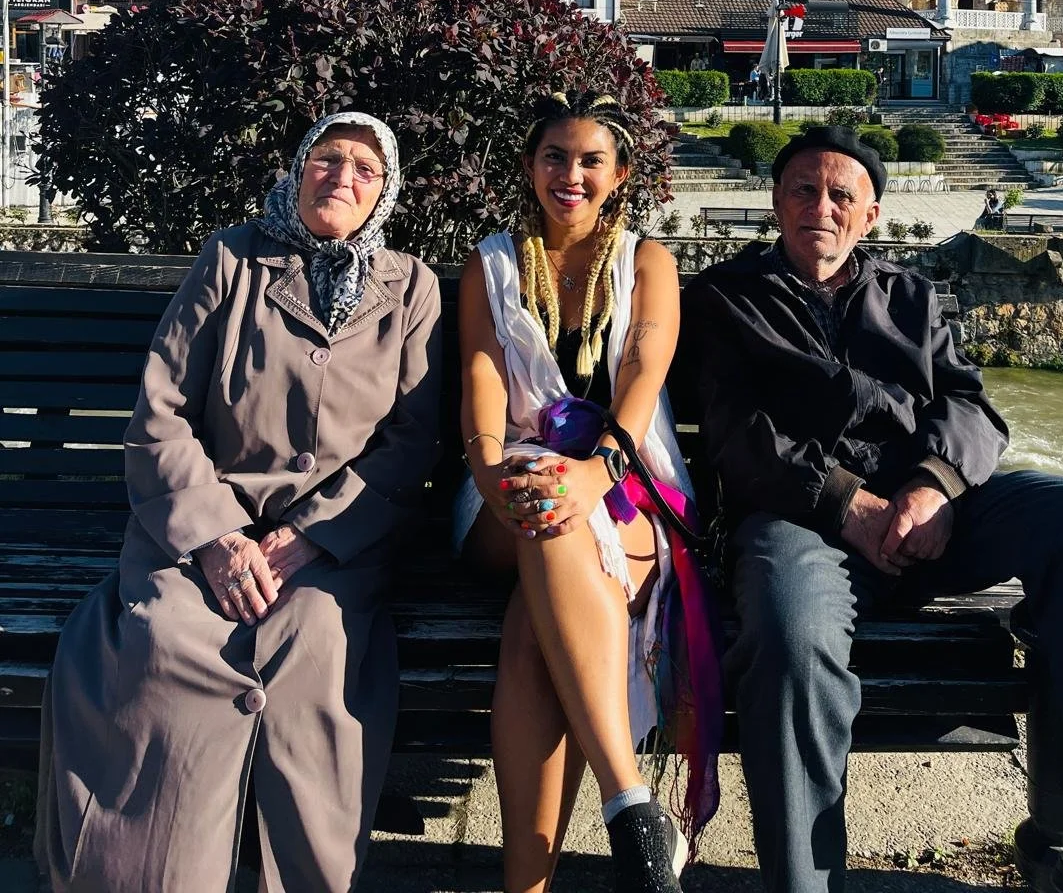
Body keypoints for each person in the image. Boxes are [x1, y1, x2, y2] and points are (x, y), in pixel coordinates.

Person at [685, 125, 1063, 893]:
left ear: (872, 214)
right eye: (803, 189)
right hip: (801, 522)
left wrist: (934, 485)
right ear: (776, 202)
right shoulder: (726, 298)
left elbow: (971, 405)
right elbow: (735, 432)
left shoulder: (911, 297)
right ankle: (804, 882)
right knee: (787, 638)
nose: (821, 205)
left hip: (930, 518)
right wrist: (847, 503)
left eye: (841, 194)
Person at [36, 113, 442, 893]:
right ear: (299, 169)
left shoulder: (411, 287)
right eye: (329, 160)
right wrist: (218, 537)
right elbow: (163, 408)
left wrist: (313, 537)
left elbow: (411, 443)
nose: (343, 179)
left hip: (330, 550)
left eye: (366, 170)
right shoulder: (232, 257)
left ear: (384, 193)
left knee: (316, 647)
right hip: (197, 535)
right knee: (163, 647)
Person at [456, 90, 720, 893]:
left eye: (590, 160)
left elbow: (642, 372)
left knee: (535, 637)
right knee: (541, 510)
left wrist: (596, 470)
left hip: (629, 486)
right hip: (508, 492)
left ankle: (525, 885)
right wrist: (491, 474)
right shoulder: (493, 262)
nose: (570, 174)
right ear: (530, 168)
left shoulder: (647, 263)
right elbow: (484, 376)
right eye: (554, 157)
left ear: (620, 174)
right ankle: (630, 805)